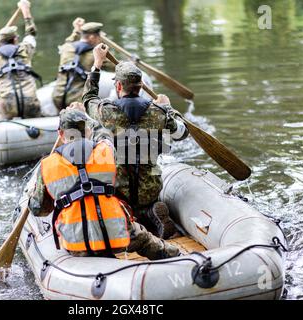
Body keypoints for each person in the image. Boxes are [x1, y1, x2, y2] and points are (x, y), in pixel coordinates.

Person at [27, 108, 180, 260]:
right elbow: (103, 136)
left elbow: (38, 209)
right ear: (87, 131)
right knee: (143, 239)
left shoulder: (47, 165)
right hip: (117, 235)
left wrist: (33, 195)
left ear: (60, 134)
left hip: (78, 242)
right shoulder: (106, 150)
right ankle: (176, 255)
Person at [82, 44, 189, 240]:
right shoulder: (158, 113)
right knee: (147, 203)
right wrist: (169, 108)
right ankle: (150, 213)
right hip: (149, 189)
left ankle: (127, 219)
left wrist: (97, 64)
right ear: (140, 87)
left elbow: (88, 98)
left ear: (119, 86)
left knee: (119, 209)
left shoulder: (106, 112)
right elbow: (182, 133)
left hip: (119, 189)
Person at [51, 18, 114, 110]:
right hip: (76, 100)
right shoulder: (95, 55)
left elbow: (69, 40)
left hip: (58, 97)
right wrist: (102, 44)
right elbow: (115, 67)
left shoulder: (66, 48)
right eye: (98, 36)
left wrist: (76, 31)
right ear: (92, 37)